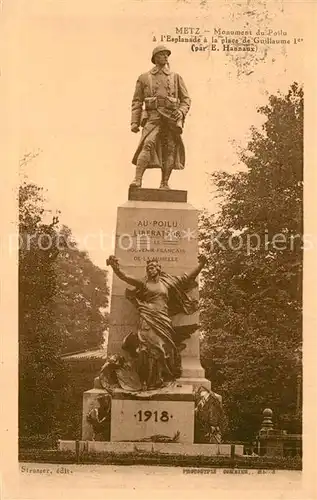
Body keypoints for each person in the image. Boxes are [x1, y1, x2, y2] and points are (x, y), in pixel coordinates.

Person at [106, 255, 207, 390]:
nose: (150, 270)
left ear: (158, 269)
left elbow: (186, 278)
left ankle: (160, 378)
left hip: (163, 319)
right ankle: (149, 381)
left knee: (163, 348)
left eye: (152, 267)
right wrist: (114, 267)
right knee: (148, 349)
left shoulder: (167, 283)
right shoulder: (144, 283)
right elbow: (125, 277)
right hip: (148, 318)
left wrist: (201, 264)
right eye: (148, 268)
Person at [130, 45, 191, 189]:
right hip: (153, 117)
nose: (165, 57)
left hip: (170, 118)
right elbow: (137, 101)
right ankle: (137, 180)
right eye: (162, 54)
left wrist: (181, 111)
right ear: (155, 57)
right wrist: (134, 122)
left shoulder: (176, 77)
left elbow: (186, 99)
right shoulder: (144, 78)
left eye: (166, 55)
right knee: (147, 144)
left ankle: (164, 183)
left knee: (170, 149)